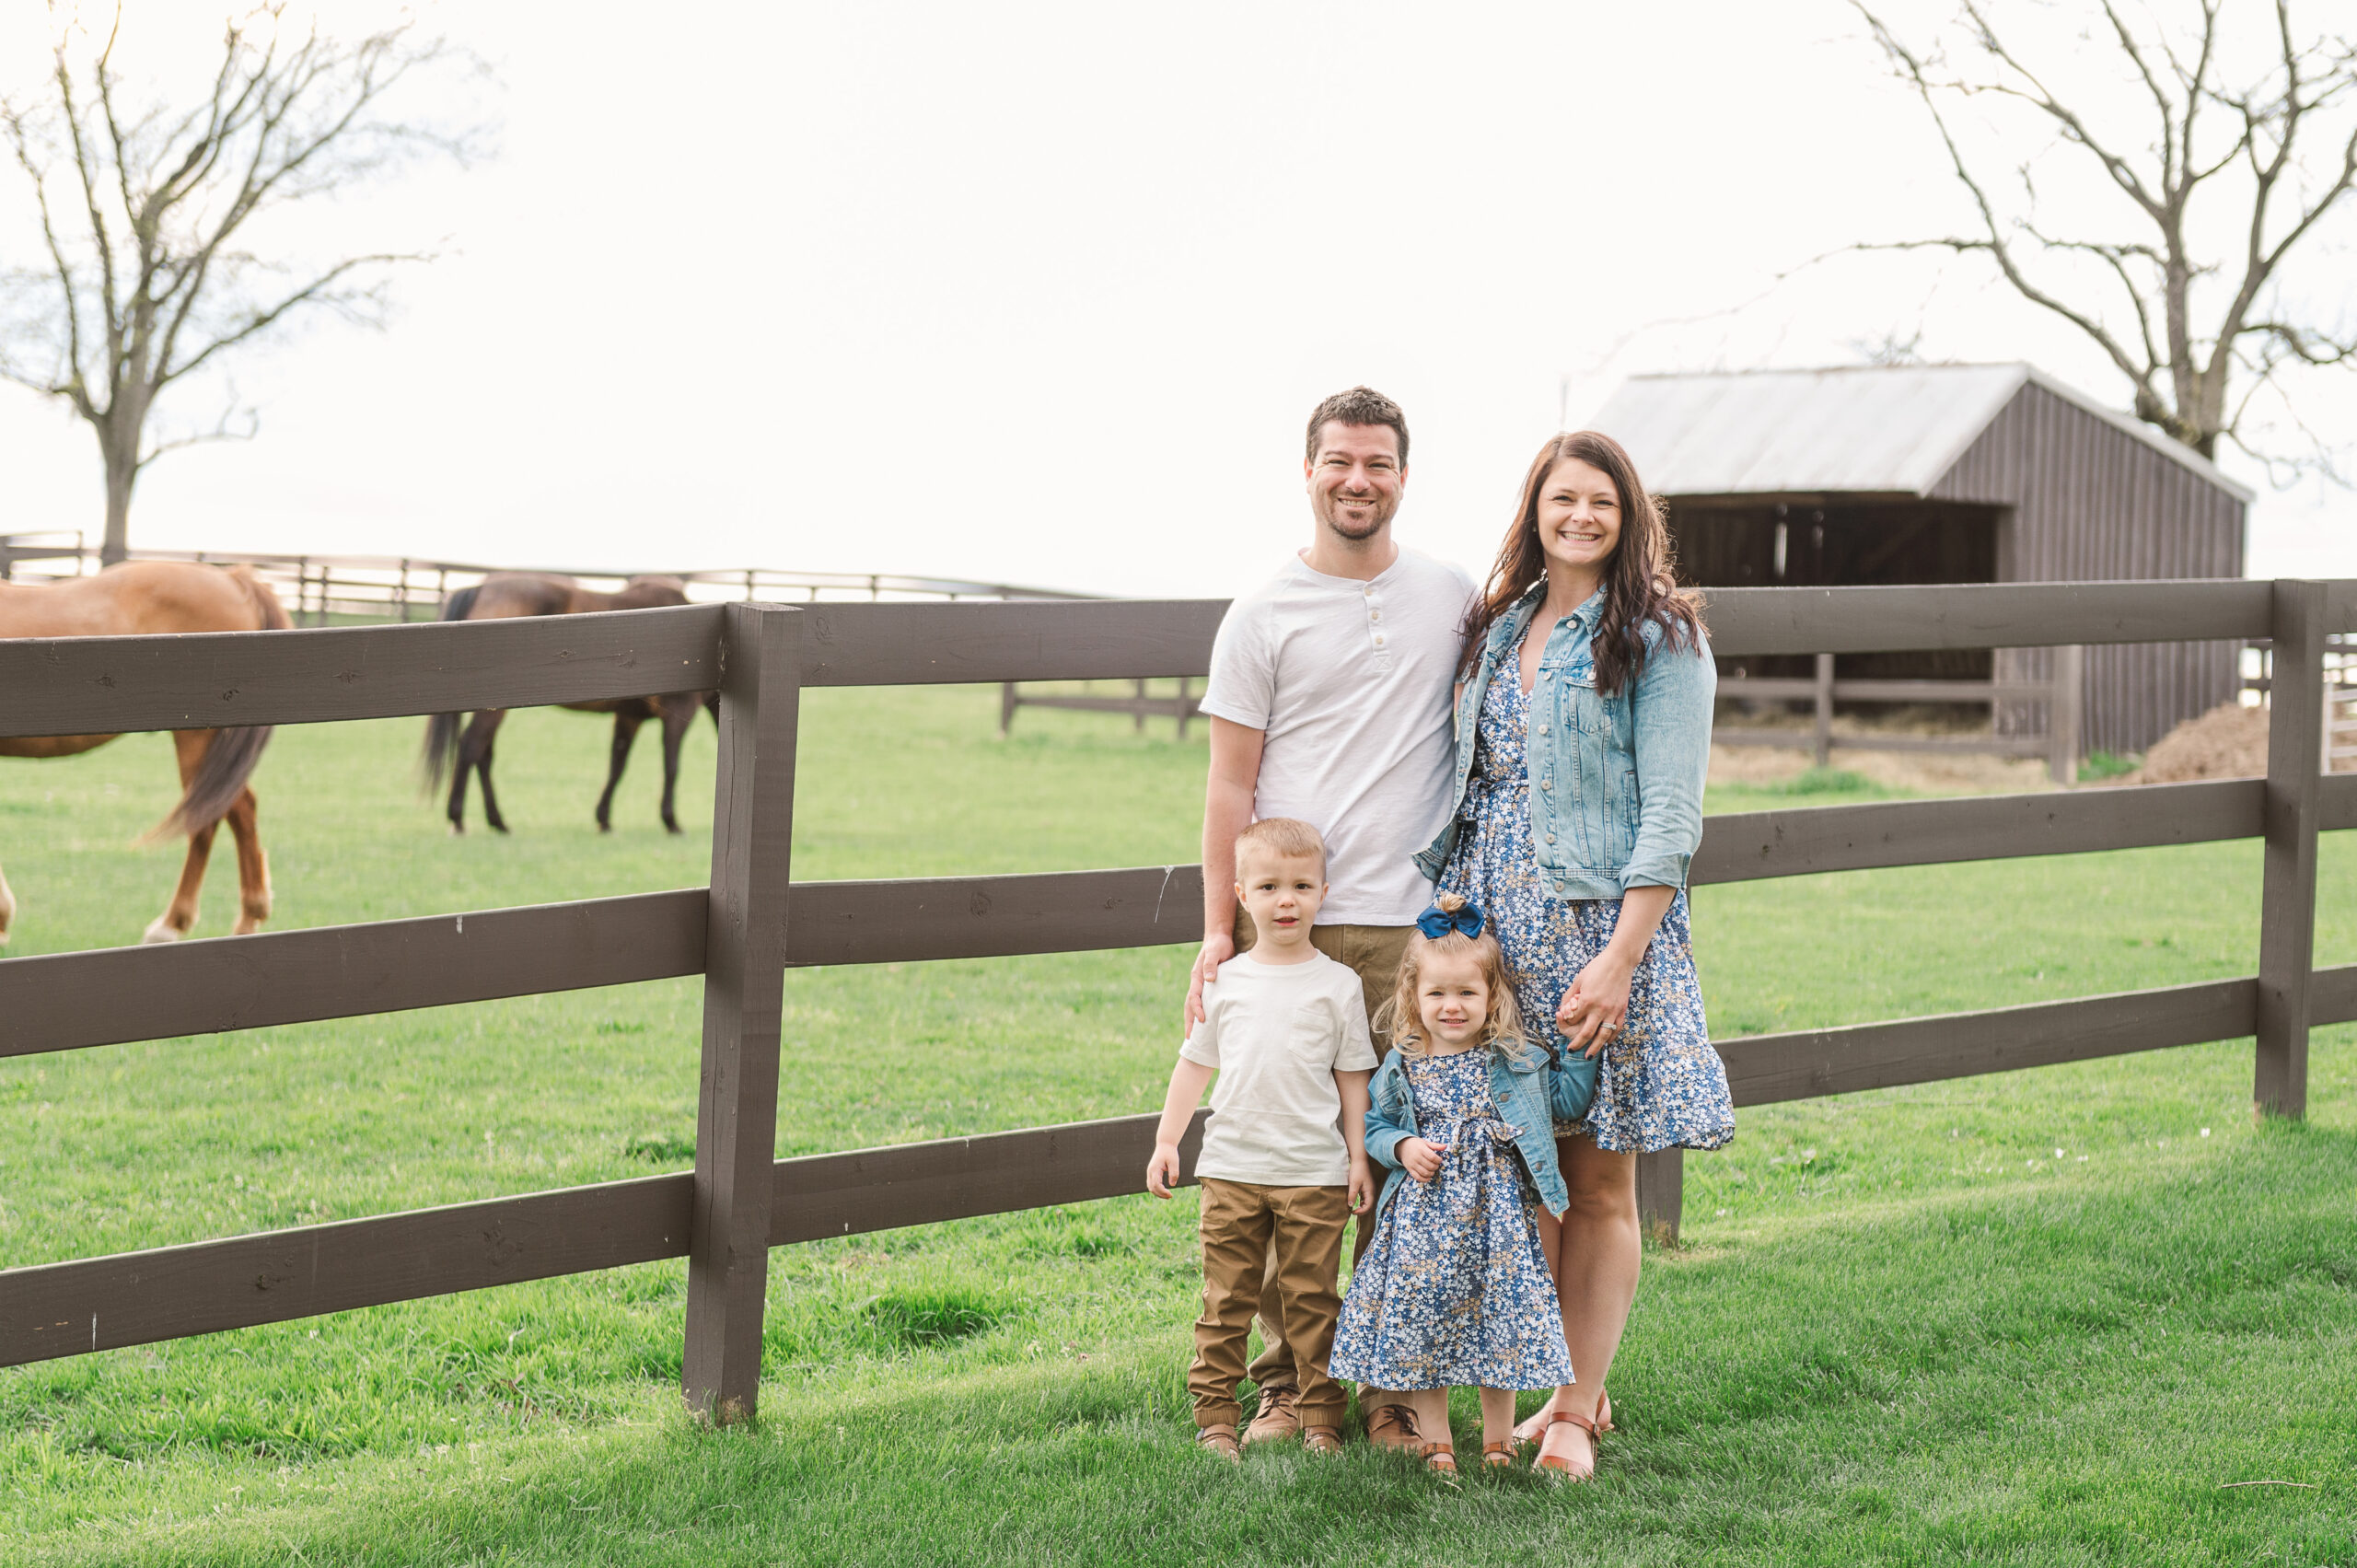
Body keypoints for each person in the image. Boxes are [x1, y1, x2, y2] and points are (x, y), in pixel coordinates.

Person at [1415, 430, 1729, 1481]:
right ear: (1535, 509)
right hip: (1499, 943)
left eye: (1601, 500)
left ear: (1628, 513)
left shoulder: (1660, 635)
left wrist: (1621, 960)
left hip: (1601, 937)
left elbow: (1672, 812)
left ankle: (1573, 1407)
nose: (1582, 515)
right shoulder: (1497, 627)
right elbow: (1474, 783)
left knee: (1598, 1179)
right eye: (1564, 498)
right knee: (1525, 1177)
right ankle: (1554, 1377)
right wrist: (1457, 927)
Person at [1190, 385, 1475, 1450]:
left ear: (1404, 474)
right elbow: (1230, 784)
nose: (1358, 480)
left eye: (1378, 464)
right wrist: (1219, 929)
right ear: (1306, 470)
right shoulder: (1261, 612)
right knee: (1281, 1170)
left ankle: (1390, 1389)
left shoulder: (1450, 594)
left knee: (1399, 1173)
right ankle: (1284, 1380)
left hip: (1419, 940)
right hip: (1291, 938)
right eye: (1339, 462)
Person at [1327, 893, 1597, 1477]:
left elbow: (1569, 1105)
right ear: (1413, 997)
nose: (1452, 1006)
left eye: (1467, 993)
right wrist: (1401, 1146)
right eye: (1437, 994)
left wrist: (1578, 1047)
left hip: (1498, 1226)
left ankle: (1498, 1441)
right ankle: (1437, 1440)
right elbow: (1374, 1125)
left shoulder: (1515, 1060)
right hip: (1423, 1226)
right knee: (1427, 1326)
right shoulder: (1403, 1063)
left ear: (1492, 997)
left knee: (1497, 1327)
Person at [1146, 818, 1377, 1461]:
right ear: (1242, 894)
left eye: (1302, 885)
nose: (1286, 900)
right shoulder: (1227, 982)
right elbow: (1195, 1064)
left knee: (1312, 1300)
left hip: (1314, 1173)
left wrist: (1358, 1157)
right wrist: (1168, 1140)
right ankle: (1216, 1417)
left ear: (1323, 892)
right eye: (1270, 885)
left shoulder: (1339, 985)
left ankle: (1321, 1415)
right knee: (1226, 1302)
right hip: (1231, 1169)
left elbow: (1353, 1076)